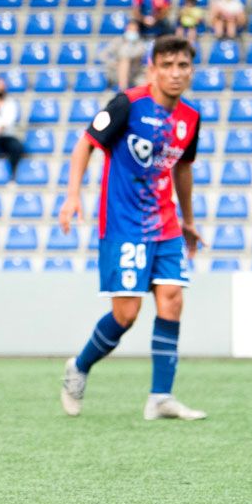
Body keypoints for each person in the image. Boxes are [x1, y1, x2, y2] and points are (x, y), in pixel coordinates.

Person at [57, 35, 206, 422]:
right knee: (126, 314)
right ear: (153, 68)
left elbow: (183, 169)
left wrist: (188, 220)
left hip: (166, 222)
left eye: (183, 66)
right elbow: (84, 145)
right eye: (167, 65)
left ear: (191, 71)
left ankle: (160, 396)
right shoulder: (128, 104)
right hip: (124, 223)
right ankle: (80, 365)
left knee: (172, 297)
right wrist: (73, 196)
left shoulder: (190, 118)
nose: (175, 73)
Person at [100, 21, 148, 90]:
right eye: (130, 29)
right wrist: (113, 63)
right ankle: (123, 89)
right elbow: (103, 54)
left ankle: (124, 91)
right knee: (124, 62)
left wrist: (127, 46)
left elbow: (135, 54)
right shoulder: (117, 41)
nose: (131, 31)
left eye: (134, 30)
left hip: (135, 73)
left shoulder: (141, 44)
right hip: (116, 72)